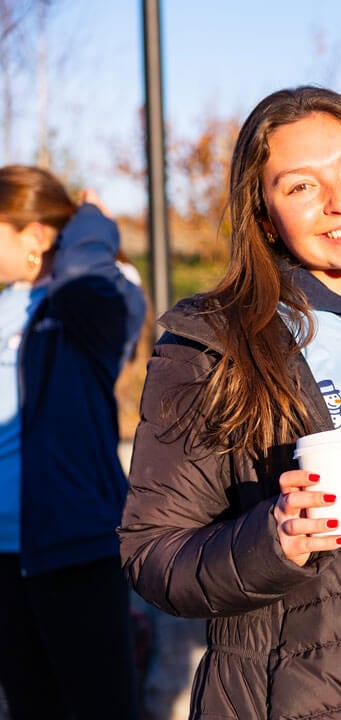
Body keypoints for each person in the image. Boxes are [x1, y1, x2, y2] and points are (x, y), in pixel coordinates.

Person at [118, 86, 341, 720]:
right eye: (300, 187)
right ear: (264, 216)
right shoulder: (215, 348)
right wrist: (272, 541)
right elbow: (153, 556)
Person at [0, 167, 146, 719]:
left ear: (35, 235)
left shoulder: (101, 288)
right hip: (5, 554)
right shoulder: (6, 303)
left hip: (74, 542)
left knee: (99, 706)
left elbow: (97, 296)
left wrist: (91, 224)